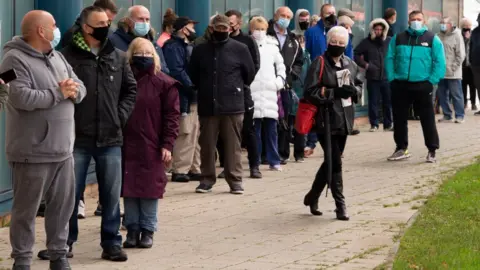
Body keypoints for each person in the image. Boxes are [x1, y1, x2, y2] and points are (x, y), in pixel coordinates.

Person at [40, 6, 137, 262]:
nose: (107, 25)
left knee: (111, 194)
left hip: (110, 137)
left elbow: (130, 90)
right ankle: (63, 243)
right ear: (86, 27)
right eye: (101, 22)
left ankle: (111, 243)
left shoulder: (117, 56)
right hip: (76, 138)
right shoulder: (66, 57)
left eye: (108, 21)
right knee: (68, 195)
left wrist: (120, 116)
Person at [0, 10, 86, 270]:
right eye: (54, 25)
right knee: (26, 211)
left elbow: (79, 86)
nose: (57, 30)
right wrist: (59, 92)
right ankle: (22, 261)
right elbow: (21, 98)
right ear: (41, 31)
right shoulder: (11, 61)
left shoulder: (58, 56)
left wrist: (74, 91)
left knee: (62, 208)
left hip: (63, 150)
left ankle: (58, 255)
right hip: (31, 151)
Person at [122, 37, 180, 249]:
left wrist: (168, 144)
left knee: (149, 188)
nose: (144, 57)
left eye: (148, 53)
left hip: (153, 143)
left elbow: (172, 117)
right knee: (129, 188)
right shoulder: (124, 79)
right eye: (139, 53)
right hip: (127, 142)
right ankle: (131, 229)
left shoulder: (164, 83)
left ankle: (148, 229)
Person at [189, 14, 255, 194]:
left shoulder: (240, 48)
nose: (220, 31)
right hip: (208, 103)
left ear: (230, 29)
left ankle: (235, 180)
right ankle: (206, 179)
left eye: (224, 29)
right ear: (211, 29)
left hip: (232, 104)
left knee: (233, 145)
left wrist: (235, 87)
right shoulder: (200, 50)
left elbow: (249, 73)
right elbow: (193, 73)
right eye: (217, 28)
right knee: (207, 144)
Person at [303, 26, 362, 221]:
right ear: (328, 42)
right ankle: (340, 205)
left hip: (344, 119)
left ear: (346, 45)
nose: (337, 45)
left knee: (331, 160)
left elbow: (359, 85)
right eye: (333, 42)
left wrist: (355, 92)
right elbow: (310, 92)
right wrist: (333, 93)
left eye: (341, 43)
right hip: (324, 119)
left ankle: (313, 195)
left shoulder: (350, 64)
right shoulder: (318, 63)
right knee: (335, 162)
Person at [385, 10, 445, 163]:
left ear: (424, 21)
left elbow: (439, 62)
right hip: (400, 84)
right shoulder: (398, 38)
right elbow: (390, 58)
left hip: (423, 85)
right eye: (413, 19)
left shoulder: (432, 39)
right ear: (408, 21)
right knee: (399, 119)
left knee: (427, 119)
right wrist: (392, 78)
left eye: (419, 19)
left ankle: (432, 150)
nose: (416, 21)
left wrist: (431, 81)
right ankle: (401, 148)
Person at [216, 10, 262, 178]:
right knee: (224, 132)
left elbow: (254, 65)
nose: (228, 26)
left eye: (231, 23)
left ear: (239, 23)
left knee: (248, 129)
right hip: (222, 94)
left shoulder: (247, 41)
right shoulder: (217, 41)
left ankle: (254, 165)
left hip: (242, 91)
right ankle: (226, 166)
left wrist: (241, 83)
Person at [163, 17, 200, 183]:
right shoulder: (173, 47)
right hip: (183, 95)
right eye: (192, 26)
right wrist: (192, 86)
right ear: (184, 29)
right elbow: (176, 70)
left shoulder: (187, 46)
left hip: (191, 96)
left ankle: (193, 167)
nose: (194, 30)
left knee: (194, 133)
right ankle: (180, 169)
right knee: (185, 133)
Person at [267, 6, 304, 164]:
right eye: (282, 15)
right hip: (267, 85)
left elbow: (299, 61)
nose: (285, 19)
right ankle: (265, 154)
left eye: (288, 17)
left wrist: (293, 73)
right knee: (267, 120)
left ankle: (282, 153)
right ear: (276, 16)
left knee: (285, 120)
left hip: (285, 85)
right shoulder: (266, 34)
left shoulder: (293, 39)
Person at [249, 16, 286, 172]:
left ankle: (274, 160)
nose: (260, 32)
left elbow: (281, 66)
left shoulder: (272, 46)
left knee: (271, 130)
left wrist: (279, 82)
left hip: (270, 91)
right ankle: (255, 161)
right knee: (254, 130)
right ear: (251, 30)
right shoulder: (247, 45)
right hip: (252, 91)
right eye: (257, 29)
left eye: (262, 29)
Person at [354, 18, 393, 132]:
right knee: (373, 101)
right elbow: (355, 53)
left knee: (387, 102)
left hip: (386, 76)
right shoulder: (366, 42)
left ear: (384, 30)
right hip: (372, 76)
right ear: (372, 30)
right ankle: (374, 124)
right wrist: (365, 65)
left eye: (381, 29)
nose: (378, 31)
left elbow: (395, 54)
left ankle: (388, 124)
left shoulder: (389, 41)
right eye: (376, 29)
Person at [109, 5, 169, 74]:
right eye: (140, 19)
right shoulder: (114, 41)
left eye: (147, 19)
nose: (144, 22)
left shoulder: (153, 44)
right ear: (128, 21)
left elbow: (164, 70)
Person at [437, 17, 465, 123]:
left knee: (456, 95)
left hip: (453, 72)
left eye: (444, 23)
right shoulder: (438, 36)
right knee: (442, 95)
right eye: (441, 23)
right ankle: (447, 115)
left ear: (450, 24)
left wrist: (453, 67)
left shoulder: (457, 35)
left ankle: (460, 115)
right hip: (441, 72)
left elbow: (461, 54)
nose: (442, 25)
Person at [461, 18, 477, 110]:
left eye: (468, 26)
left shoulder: (473, 34)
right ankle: (464, 102)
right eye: (465, 26)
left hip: (471, 65)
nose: (467, 27)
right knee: (463, 85)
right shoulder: (460, 36)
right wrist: (465, 39)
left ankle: (473, 103)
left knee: (473, 85)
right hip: (463, 65)